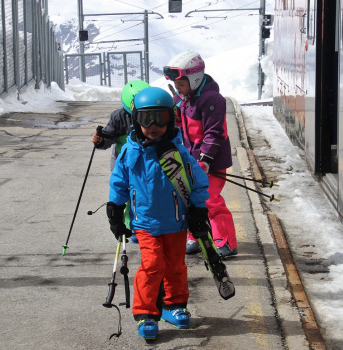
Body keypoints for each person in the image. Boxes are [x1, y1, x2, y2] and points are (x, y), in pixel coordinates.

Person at [106, 87, 210, 340]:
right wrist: (115, 211)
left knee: (175, 265)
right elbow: (118, 183)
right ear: (135, 120)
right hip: (146, 223)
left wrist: (198, 210)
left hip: (176, 222)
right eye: (145, 119)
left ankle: (173, 306)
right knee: (152, 265)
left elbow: (198, 182)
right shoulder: (130, 153)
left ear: (170, 119)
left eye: (160, 118)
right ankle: (146, 313)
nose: (153, 125)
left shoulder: (178, 152)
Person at [163, 50, 238, 257]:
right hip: (191, 159)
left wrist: (205, 159)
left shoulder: (212, 99)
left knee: (210, 200)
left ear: (194, 79)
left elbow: (215, 132)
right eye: (176, 85)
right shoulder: (186, 98)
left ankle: (227, 241)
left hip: (211, 161)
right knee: (188, 198)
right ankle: (195, 235)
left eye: (181, 84)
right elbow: (183, 128)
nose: (178, 89)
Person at [92, 80, 151, 170]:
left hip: (146, 161)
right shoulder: (118, 117)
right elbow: (109, 135)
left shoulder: (154, 115)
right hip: (121, 161)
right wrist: (101, 140)